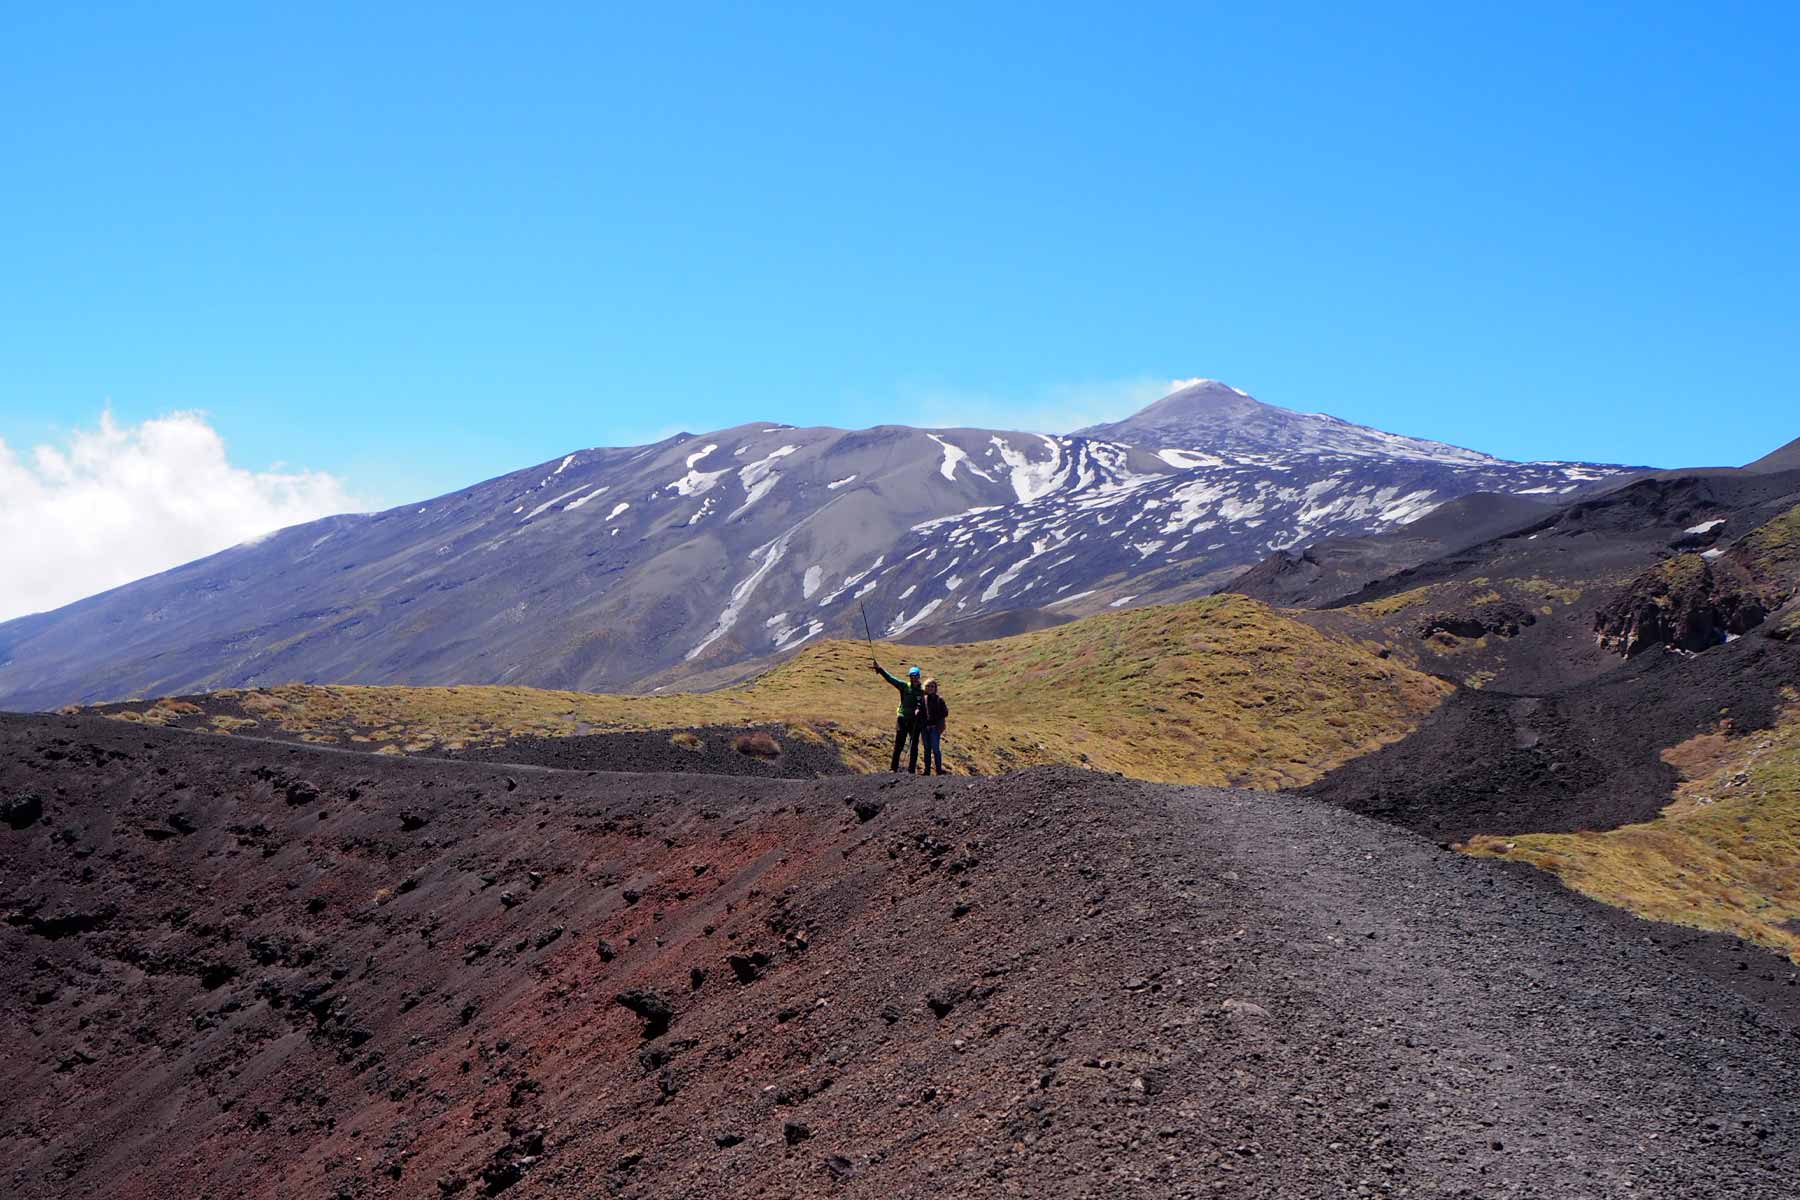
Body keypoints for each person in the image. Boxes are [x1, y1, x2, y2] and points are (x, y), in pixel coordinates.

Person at [872, 660, 926, 773]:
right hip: (902, 718)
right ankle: (893, 768)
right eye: (911, 676)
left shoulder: (922, 691)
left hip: (915, 721)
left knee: (914, 746)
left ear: (919, 676)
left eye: (915, 676)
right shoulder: (904, 686)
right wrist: (880, 669)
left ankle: (911, 770)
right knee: (899, 745)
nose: (914, 678)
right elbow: (891, 679)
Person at [921, 677, 948, 775]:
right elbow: (919, 710)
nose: (930, 688)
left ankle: (939, 770)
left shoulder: (939, 699)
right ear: (925, 687)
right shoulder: (922, 699)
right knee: (927, 749)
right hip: (924, 728)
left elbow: (945, 712)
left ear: (935, 688)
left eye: (932, 686)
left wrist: (935, 719)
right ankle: (927, 770)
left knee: (935, 749)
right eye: (928, 686)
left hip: (935, 728)